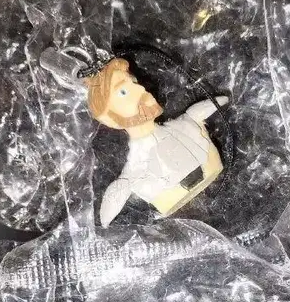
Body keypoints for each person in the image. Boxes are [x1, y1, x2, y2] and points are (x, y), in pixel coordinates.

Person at [82, 57, 227, 225]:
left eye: (134, 81)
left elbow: (194, 116)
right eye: (123, 92)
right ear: (109, 118)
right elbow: (120, 191)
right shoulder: (136, 167)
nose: (141, 89)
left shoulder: (184, 125)